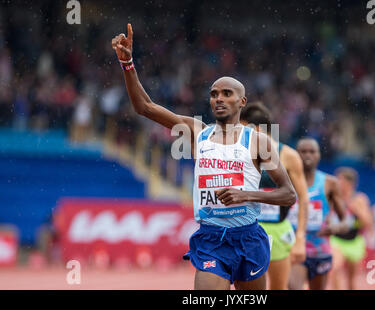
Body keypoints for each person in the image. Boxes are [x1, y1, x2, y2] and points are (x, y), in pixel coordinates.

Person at [111, 24, 297, 290]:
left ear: (242, 102)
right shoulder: (197, 132)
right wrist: (128, 63)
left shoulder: (258, 141)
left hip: (249, 238)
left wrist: (247, 195)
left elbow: (288, 194)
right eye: (213, 94)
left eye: (226, 94)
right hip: (211, 239)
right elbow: (144, 107)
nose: (218, 99)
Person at [240, 101, 309, 290]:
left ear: (258, 129)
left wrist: (300, 239)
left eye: (245, 130)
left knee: (279, 287)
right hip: (248, 229)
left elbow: (303, 199)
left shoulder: (288, 156)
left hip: (278, 230)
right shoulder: (243, 152)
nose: (241, 136)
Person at [288, 138, 347, 290]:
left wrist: (335, 228)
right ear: (296, 154)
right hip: (294, 248)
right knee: (294, 287)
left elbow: (345, 222)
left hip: (320, 250)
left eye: (312, 151)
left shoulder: (330, 183)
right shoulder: (286, 182)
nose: (308, 155)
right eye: (303, 151)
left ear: (319, 155)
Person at [329, 167, 373, 290]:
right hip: (336, 240)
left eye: (339, 180)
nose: (336, 183)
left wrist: (355, 210)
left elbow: (368, 223)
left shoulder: (359, 199)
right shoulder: (332, 198)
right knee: (334, 268)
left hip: (354, 241)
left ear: (349, 183)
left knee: (351, 279)